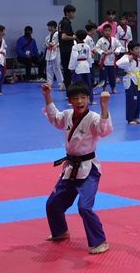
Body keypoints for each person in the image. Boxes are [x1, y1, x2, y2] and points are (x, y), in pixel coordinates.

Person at [41, 82, 113, 255]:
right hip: (71, 166)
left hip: (89, 169)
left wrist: (104, 106)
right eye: (75, 98)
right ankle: (60, 232)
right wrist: (47, 95)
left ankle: (100, 241)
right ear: (70, 100)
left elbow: (104, 130)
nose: (80, 101)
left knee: (84, 207)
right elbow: (54, 118)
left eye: (83, 97)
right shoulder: (67, 115)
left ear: (88, 99)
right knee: (53, 204)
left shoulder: (94, 118)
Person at [116, 41, 140, 125]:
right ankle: (130, 119)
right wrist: (128, 59)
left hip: (138, 79)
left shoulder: (138, 57)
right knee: (131, 99)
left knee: (138, 99)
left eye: (139, 48)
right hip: (130, 79)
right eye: (136, 49)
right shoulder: (127, 56)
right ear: (131, 50)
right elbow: (118, 63)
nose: (138, 50)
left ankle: (136, 117)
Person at [94, 23, 122, 94]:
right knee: (103, 76)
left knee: (112, 76)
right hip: (104, 60)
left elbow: (119, 46)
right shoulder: (101, 40)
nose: (107, 32)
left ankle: (113, 88)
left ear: (111, 31)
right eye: (106, 31)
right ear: (103, 31)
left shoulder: (114, 39)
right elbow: (97, 48)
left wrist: (116, 51)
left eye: (109, 31)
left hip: (112, 60)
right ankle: (104, 88)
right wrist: (103, 52)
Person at [69, 30, 95, 103]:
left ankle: (75, 100)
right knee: (88, 84)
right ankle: (91, 100)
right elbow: (89, 57)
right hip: (86, 65)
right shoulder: (87, 46)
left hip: (78, 66)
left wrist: (72, 68)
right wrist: (90, 65)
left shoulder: (75, 47)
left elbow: (74, 57)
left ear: (76, 37)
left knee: (77, 85)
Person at [59, 5, 77, 88]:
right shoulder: (66, 23)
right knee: (69, 70)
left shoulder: (61, 22)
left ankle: (68, 89)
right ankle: (69, 89)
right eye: (73, 12)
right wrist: (74, 37)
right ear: (67, 13)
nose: (74, 14)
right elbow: (63, 36)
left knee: (67, 70)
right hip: (67, 50)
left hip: (63, 50)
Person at [44, 21, 64, 90]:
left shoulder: (58, 34)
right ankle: (49, 83)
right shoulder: (48, 35)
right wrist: (47, 45)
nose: (48, 28)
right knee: (48, 68)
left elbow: (61, 42)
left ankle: (61, 84)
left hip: (56, 53)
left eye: (49, 26)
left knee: (57, 68)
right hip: (49, 53)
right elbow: (45, 43)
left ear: (53, 26)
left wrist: (56, 45)